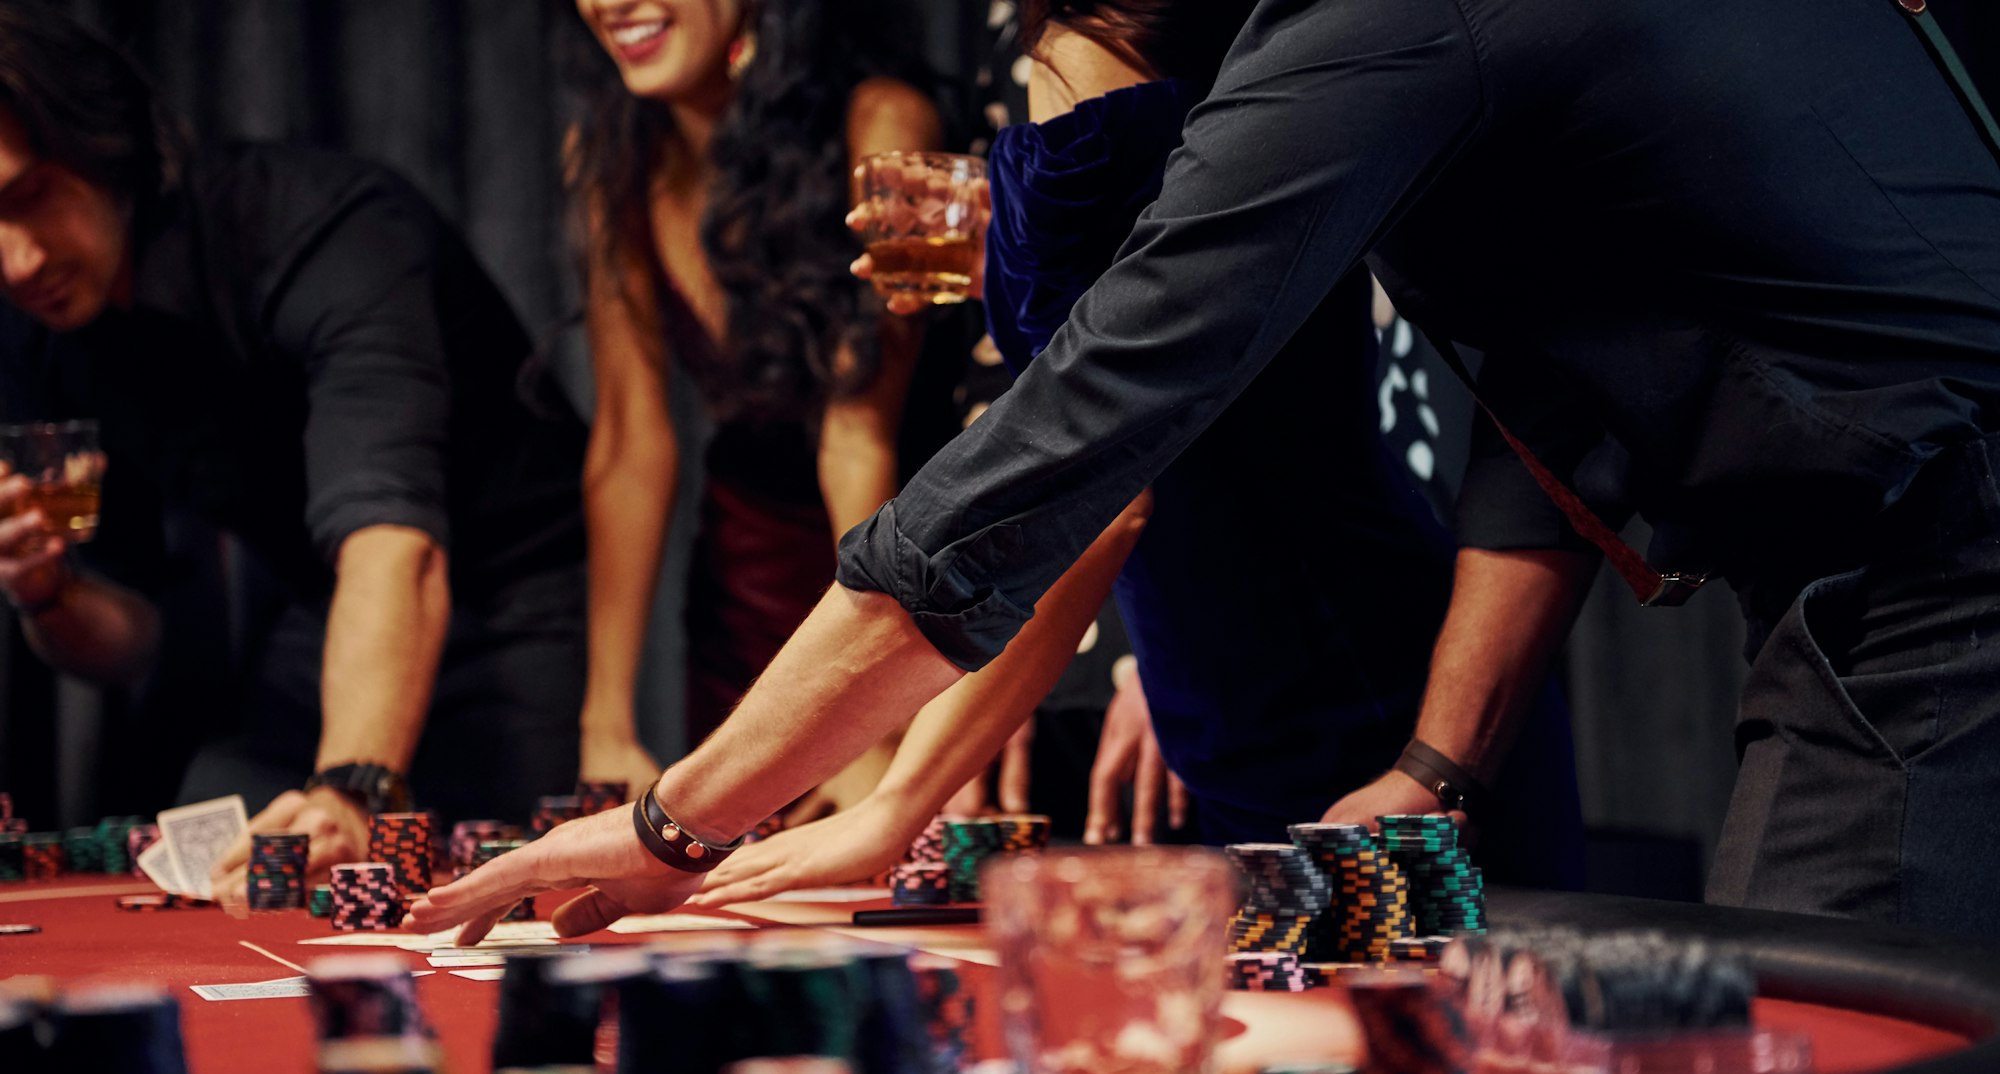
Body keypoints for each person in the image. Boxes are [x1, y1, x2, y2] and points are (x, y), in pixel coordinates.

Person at [413, 0, 2000, 946]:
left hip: (1947, 567)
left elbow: (1087, 432)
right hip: (1871, 570)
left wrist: (682, 820)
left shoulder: (1369, 28)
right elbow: (1547, 419)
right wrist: (1442, 766)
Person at [687, 0, 1583, 906]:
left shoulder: (1107, 39)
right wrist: (1006, 239)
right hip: (1226, 693)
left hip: (1354, 706)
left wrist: (897, 800)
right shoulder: (1083, 41)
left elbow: (1095, 494)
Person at [0, 5, 589, 906]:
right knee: (207, 878)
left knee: (499, 893)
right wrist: (46, 591)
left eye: (30, 193)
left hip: (509, 602)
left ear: (104, 144)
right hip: (322, 616)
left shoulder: (327, 231)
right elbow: (132, 641)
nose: (15, 259)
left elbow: (396, 541)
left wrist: (352, 784)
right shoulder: (45, 334)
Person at [565, 0, 961, 817]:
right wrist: (604, 722)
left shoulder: (892, 119)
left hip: (912, 587)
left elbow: (859, 433)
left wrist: (877, 723)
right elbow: (631, 443)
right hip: (742, 602)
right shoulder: (608, 153)